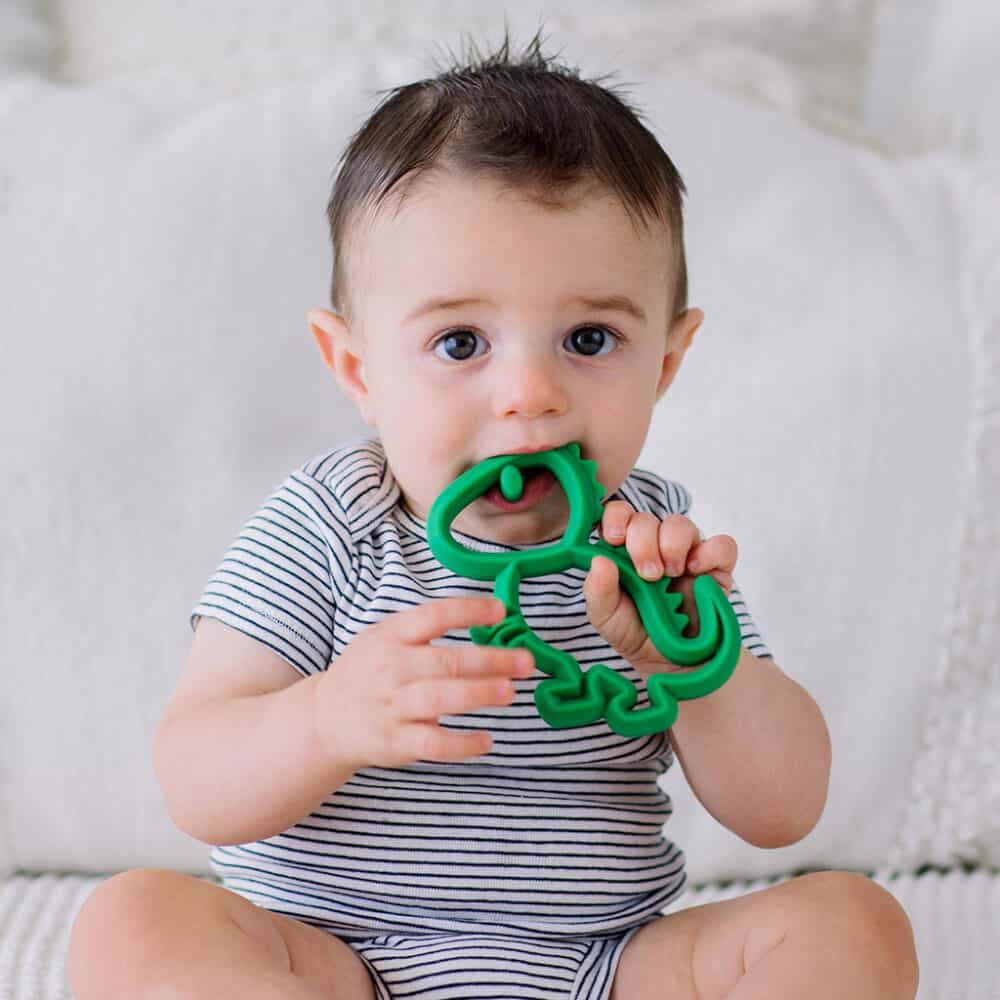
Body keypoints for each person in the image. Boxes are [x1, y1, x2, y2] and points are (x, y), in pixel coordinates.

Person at [67, 26, 919, 1000]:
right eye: (461, 340)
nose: (528, 393)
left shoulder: (646, 551)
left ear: (667, 362)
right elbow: (192, 775)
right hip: (332, 961)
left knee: (853, 921)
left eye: (588, 337)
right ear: (357, 368)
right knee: (132, 922)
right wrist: (326, 718)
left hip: (607, 965)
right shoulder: (336, 523)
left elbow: (782, 810)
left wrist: (693, 668)